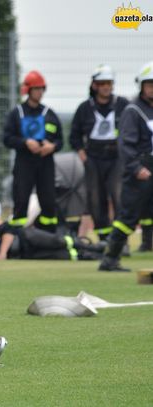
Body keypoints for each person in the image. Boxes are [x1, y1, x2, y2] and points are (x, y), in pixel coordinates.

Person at [99, 61, 153, 271]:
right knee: (128, 217)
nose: (152, 89)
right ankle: (110, 259)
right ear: (141, 86)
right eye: (149, 85)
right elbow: (125, 143)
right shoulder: (133, 110)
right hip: (139, 170)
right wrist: (135, 167)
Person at [69, 65, 129, 241]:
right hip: (93, 157)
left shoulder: (122, 105)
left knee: (118, 194)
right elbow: (74, 135)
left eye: (109, 83)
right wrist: (81, 153)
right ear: (95, 85)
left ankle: (119, 239)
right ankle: (104, 237)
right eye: (102, 83)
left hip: (116, 157)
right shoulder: (85, 108)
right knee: (95, 197)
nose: (106, 87)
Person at [3, 70, 63, 233]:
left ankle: (49, 235)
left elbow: (60, 141)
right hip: (24, 162)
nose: (40, 92)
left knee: (49, 201)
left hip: (45, 163)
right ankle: (16, 238)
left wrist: (52, 147)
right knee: (21, 199)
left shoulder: (49, 114)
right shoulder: (17, 114)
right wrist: (25, 142)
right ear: (28, 90)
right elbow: (7, 139)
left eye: (42, 89)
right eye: (36, 89)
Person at [0, 215, 106, 261]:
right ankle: (97, 257)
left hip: (26, 237)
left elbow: (9, 229)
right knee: (63, 255)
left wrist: (2, 253)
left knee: (60, 241)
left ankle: (93, 247)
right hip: (23, 254)